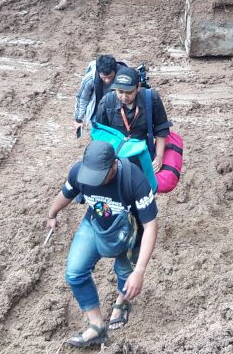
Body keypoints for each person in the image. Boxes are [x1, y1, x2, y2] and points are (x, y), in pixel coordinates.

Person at [46, 140, 158, 347]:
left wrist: (140, 271)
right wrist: (52, 213)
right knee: (75, 272)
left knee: (126, 274)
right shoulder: (79, 172)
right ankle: (96, 326)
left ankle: (120, 303)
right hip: (94, 222)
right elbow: (66, 194)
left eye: (100, 176)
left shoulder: (134, 179)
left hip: (129, 230)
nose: (94, 181)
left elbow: (150, 225)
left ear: (113, 165)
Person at [92, 67, 170, 172]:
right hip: (116, 158)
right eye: (120, 91)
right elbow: (100, 134)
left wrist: (159, 156)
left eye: (129, 92)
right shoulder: (107, 102)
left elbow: (161, 130)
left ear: (138, 87)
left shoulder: (151, 98)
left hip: (143, 154)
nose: (124, 97)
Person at [74, 54, 120, 136]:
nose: (107, 80)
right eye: (104, 77)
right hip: (97, 108)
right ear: (98, 72)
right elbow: (82, 98)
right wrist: (79, 119)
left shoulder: (122, 76)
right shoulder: (89, 79)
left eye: (110, 77)